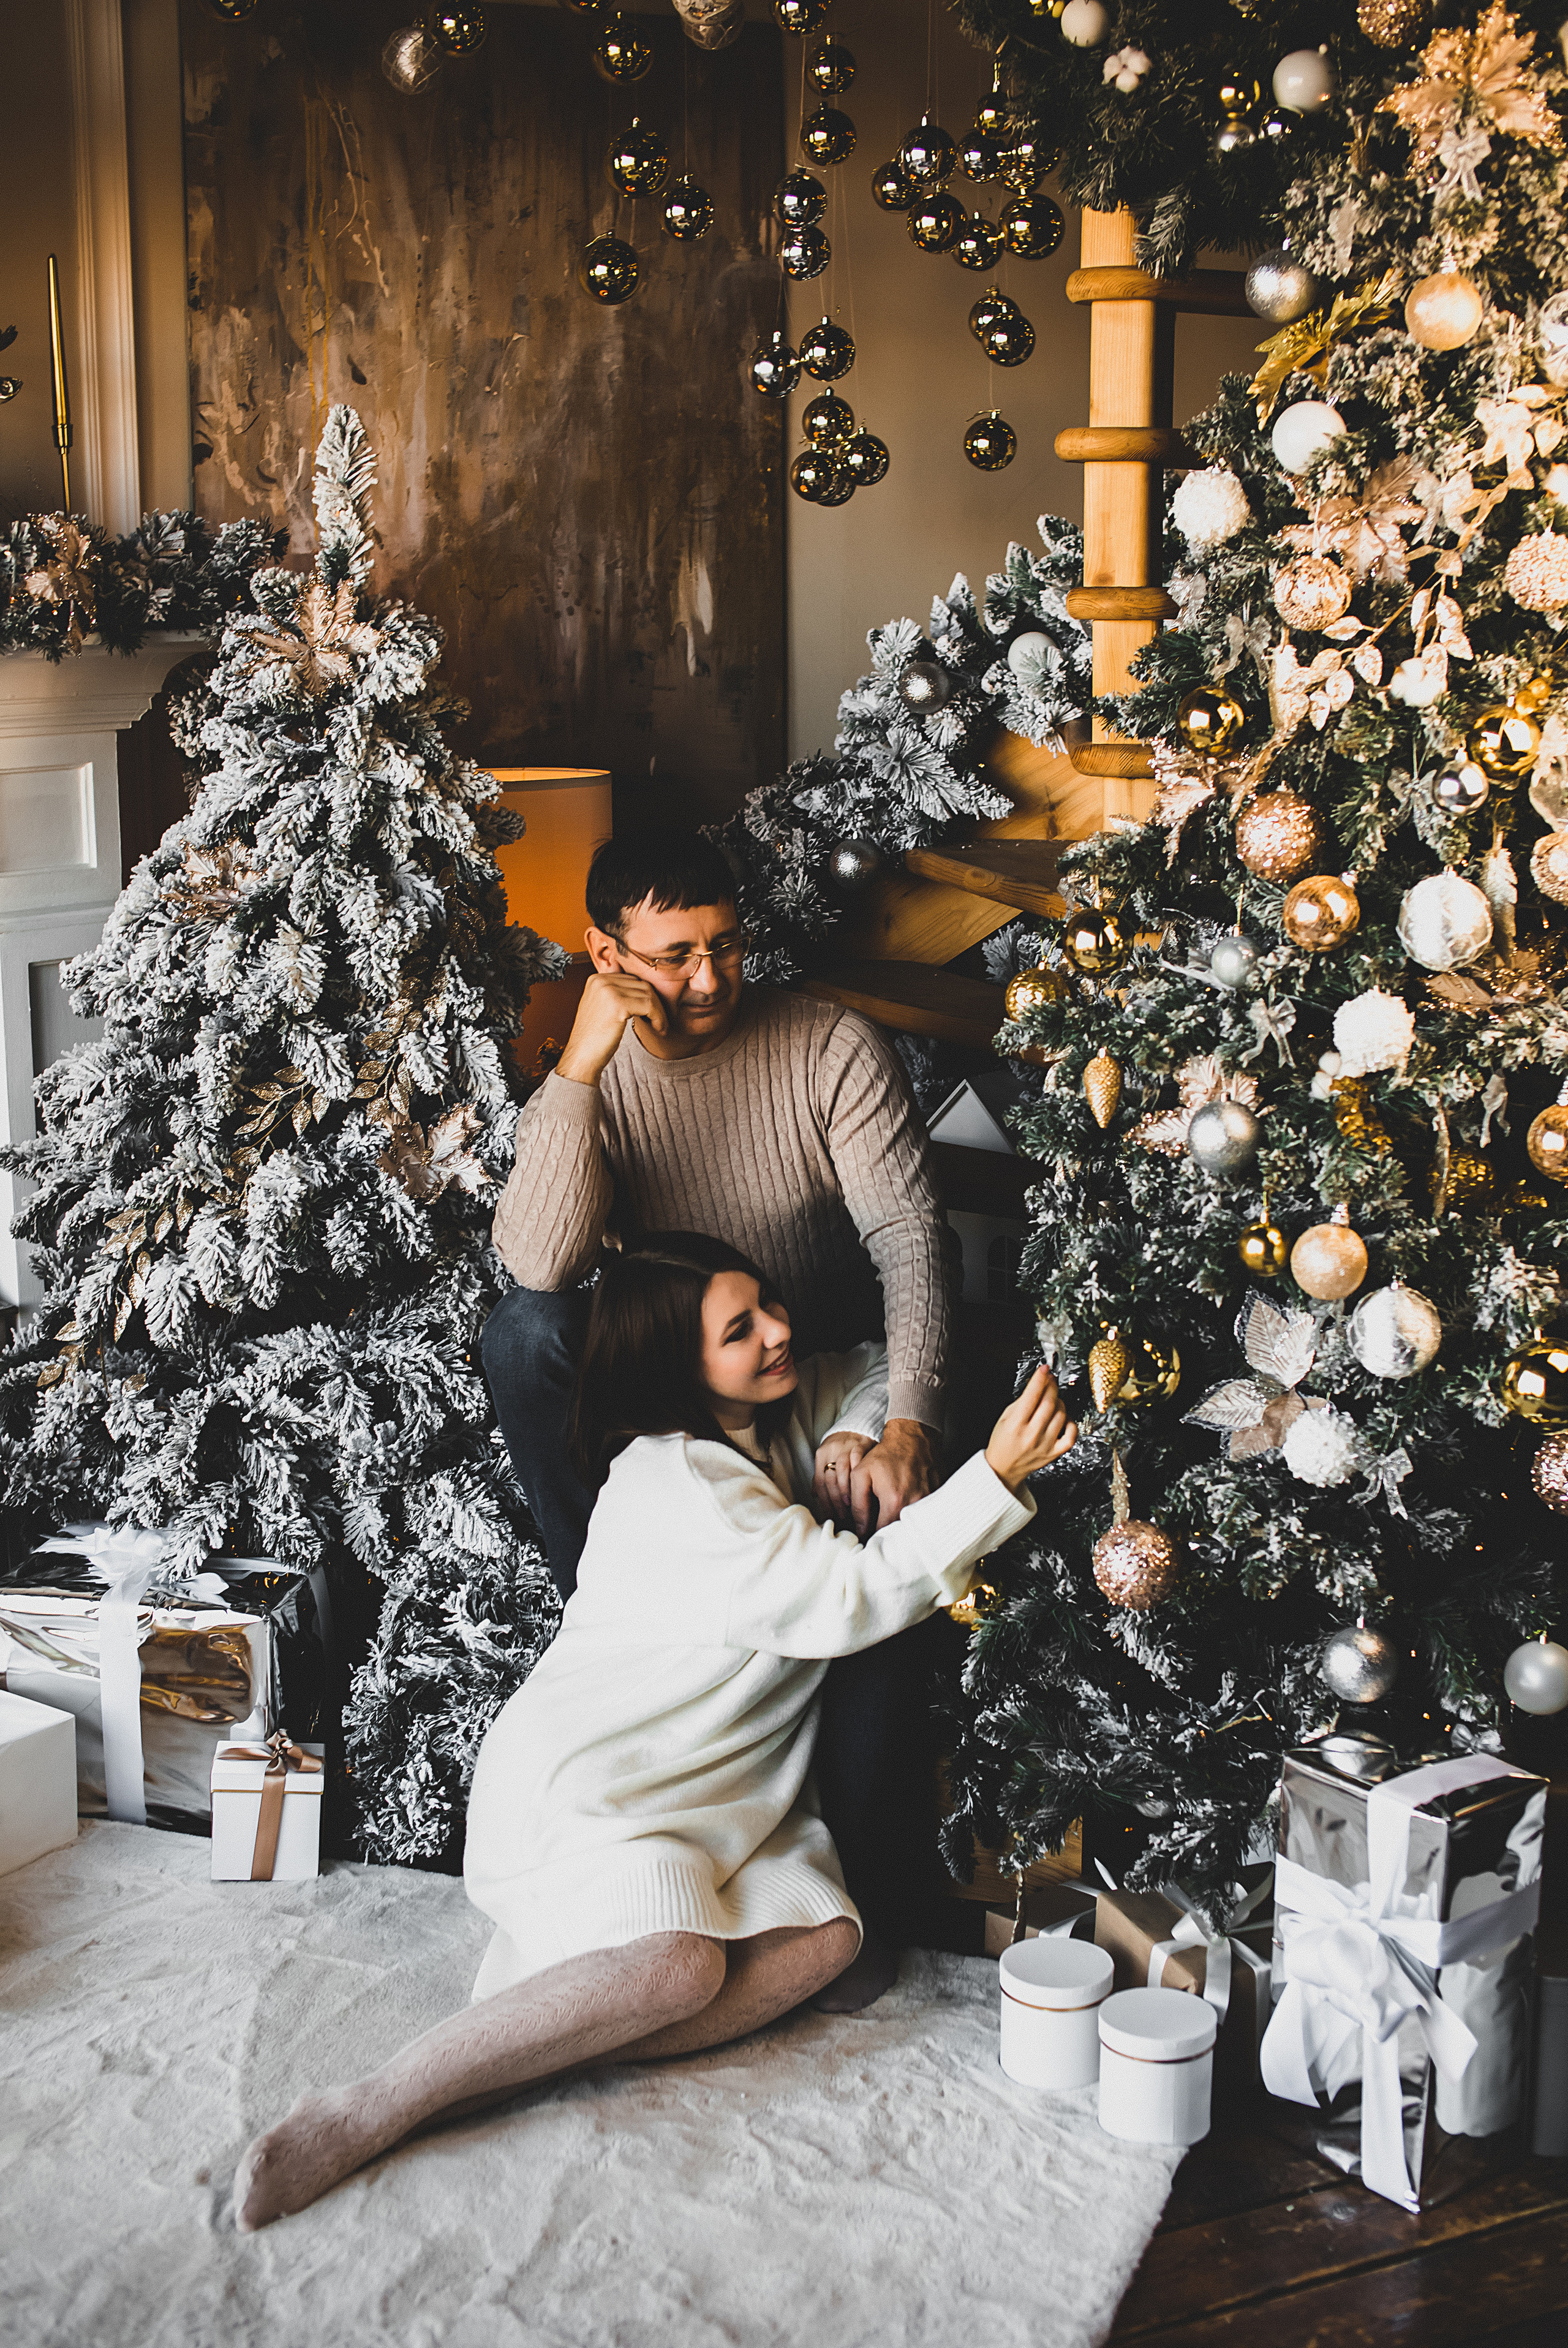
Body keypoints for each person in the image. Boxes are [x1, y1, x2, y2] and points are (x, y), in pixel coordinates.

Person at [233, 1235, 1077, 2232]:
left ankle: (548, 2035)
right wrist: (995, 1475)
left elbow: (875, 1366)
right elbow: (852, 1593)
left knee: (828, 1939)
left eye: (766, 1304)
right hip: (588, 1792)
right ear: (682, 1371)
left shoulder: (776, 1409)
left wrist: (864, 1433)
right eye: (740, 1330)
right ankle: (388, 2099)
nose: (778, 1332)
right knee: (683, 1967)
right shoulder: (677, 1484)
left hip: (707, 1808)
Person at [483, 828, 960, 2005]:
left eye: (726, 947)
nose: (708, 980)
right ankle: (620, 1593)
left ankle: (854, 1878)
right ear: (608, 955)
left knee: (878, 1593)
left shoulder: (824, 1046)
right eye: (674, 956)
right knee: (523, 1334)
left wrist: (905, 1423)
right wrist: (582, 1068)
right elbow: (537, 1269)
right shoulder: (597, 1066)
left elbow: (910, 1242)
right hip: (678, 1401)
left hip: (817, 1368)